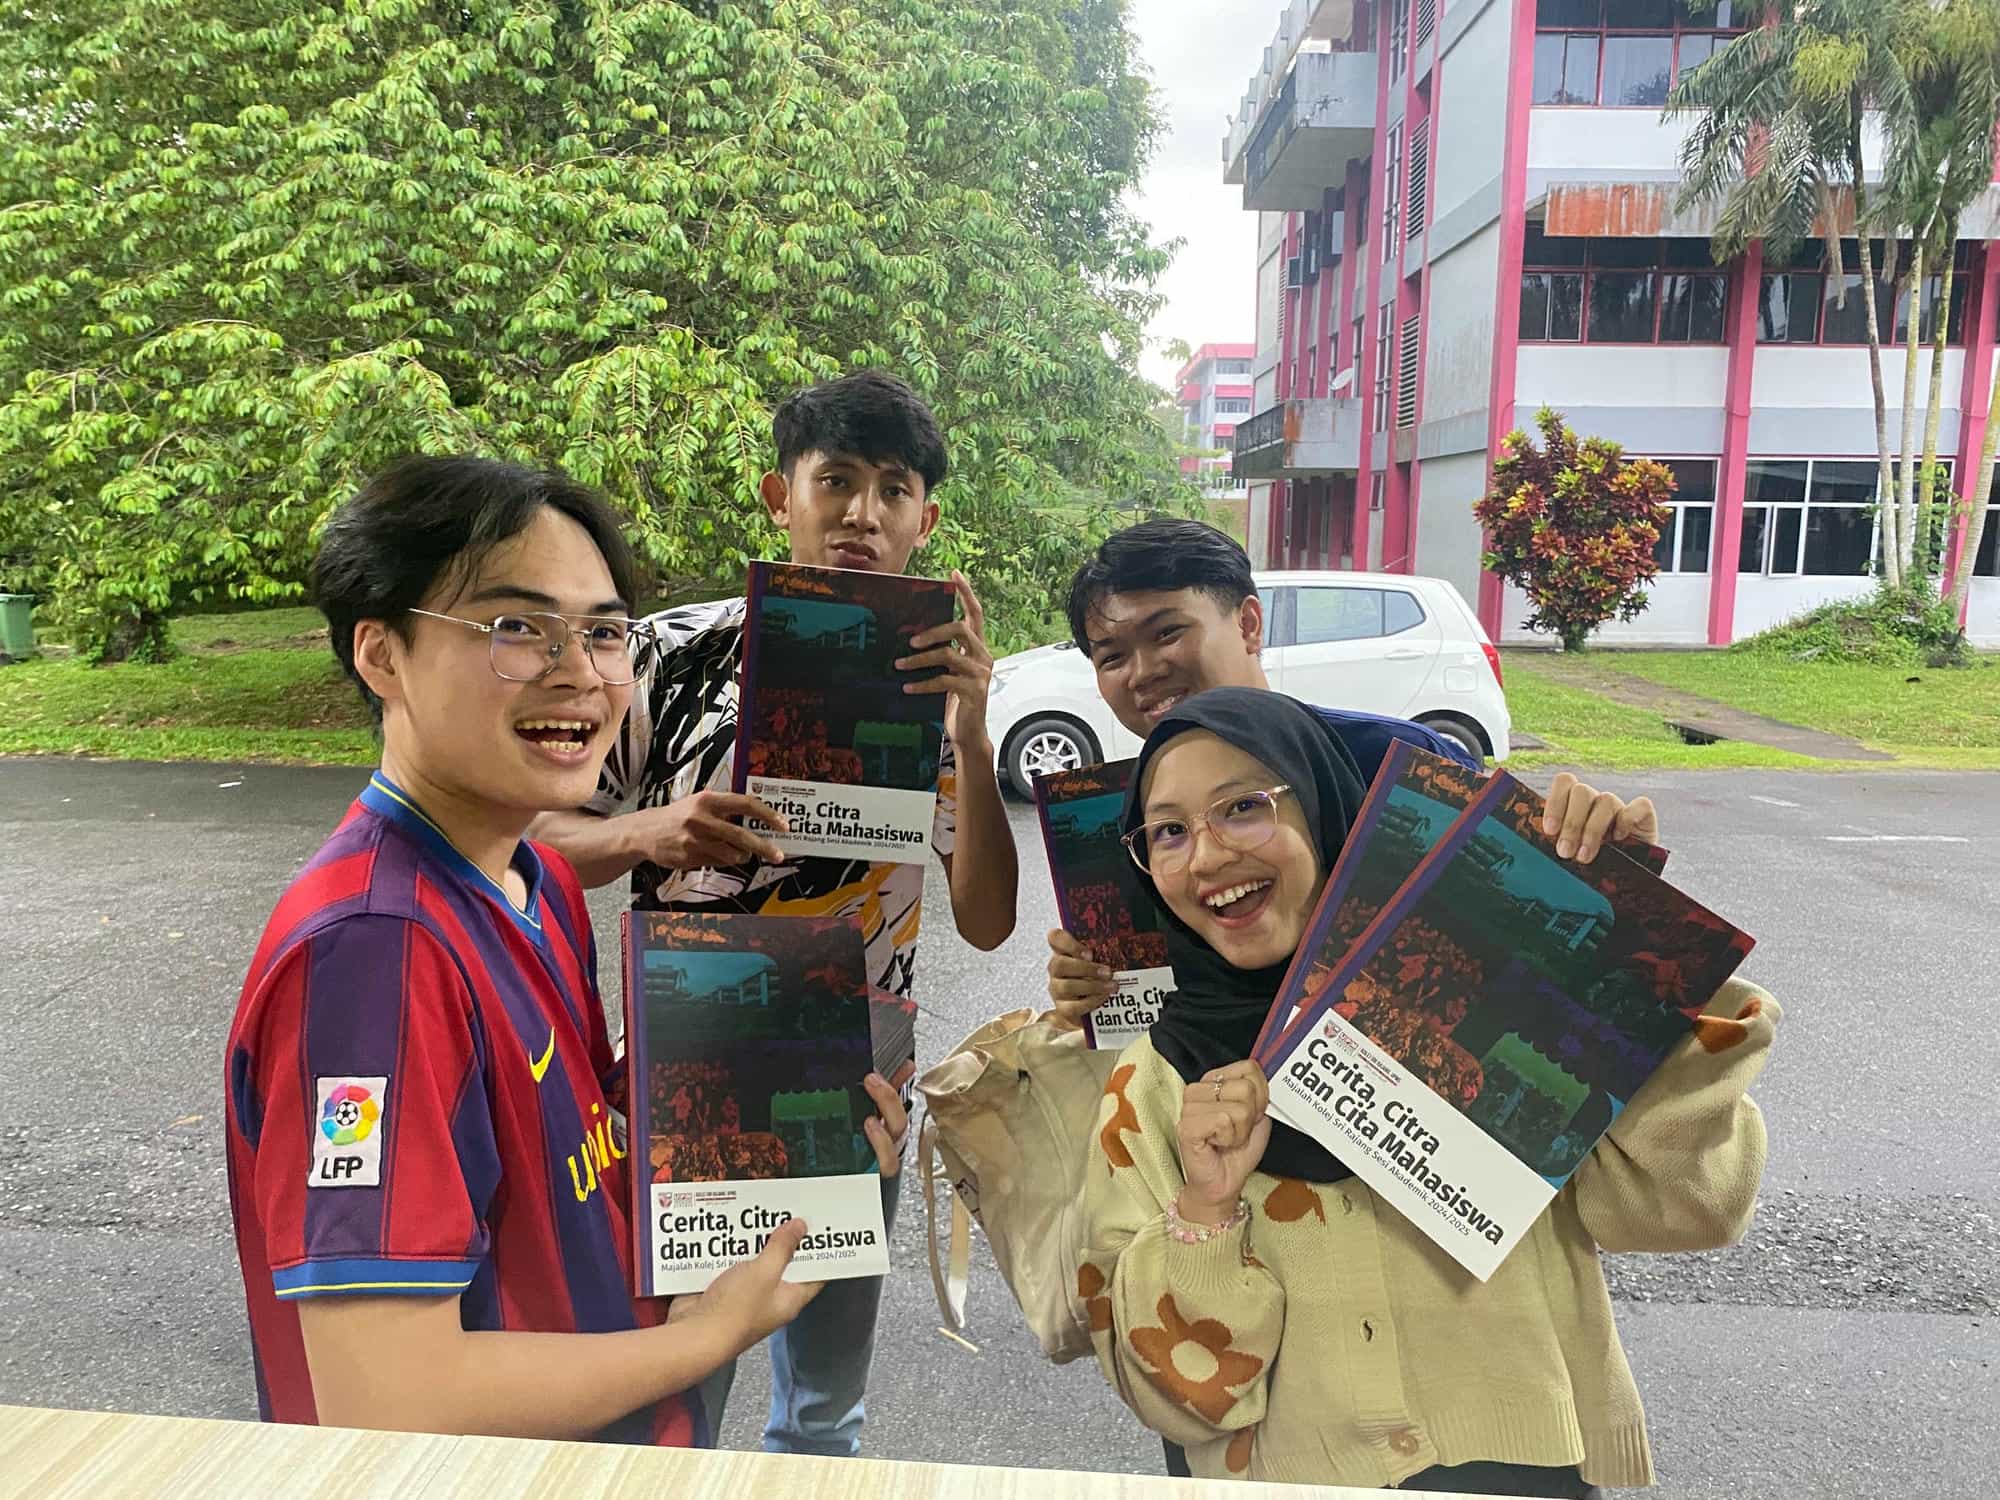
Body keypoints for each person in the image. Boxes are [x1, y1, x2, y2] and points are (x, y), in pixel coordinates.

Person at [222, 456, 908, 1444]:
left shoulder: (533, 880)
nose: (580, 673)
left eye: (603, 633)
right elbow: (388, 1397)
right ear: (382, 656)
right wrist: (705, 1337)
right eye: (516, 628)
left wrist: (787, 1123)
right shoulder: (373, 954)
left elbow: (580, 1147)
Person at [1077, 687, 1777, 1491]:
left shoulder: (1484, 995)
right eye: (1168, 831)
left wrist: (1635, 961)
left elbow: (1689, 1210)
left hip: (1526, 1472)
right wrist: (1205, 1211)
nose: (1204, 856)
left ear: (1327, 809)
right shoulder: (1154, 1091)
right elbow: (1171, 1397)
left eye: (1243, 807)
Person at [531, 370, 1018, 1457]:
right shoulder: (666, 657)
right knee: (669, 1395)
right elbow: (534, 843)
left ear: (925, 520)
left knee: (824, 1413)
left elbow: (988, 921)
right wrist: (651, 833)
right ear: (777, 494)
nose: (862, 513)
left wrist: (973, 735)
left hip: (855, 1087)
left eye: (892, 490)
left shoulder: (936, 686)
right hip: (687, 1072)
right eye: (834, 481)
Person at [1047, 519, 1660, 1028]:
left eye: (1167, 633)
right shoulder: (1126, 819)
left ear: (1249, 624)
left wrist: (1603, 869)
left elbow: (1535, 958)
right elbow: (1155, 1012)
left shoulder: (1405, 765)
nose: (1143, 672)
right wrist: (1094, 993)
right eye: (1112, 657)